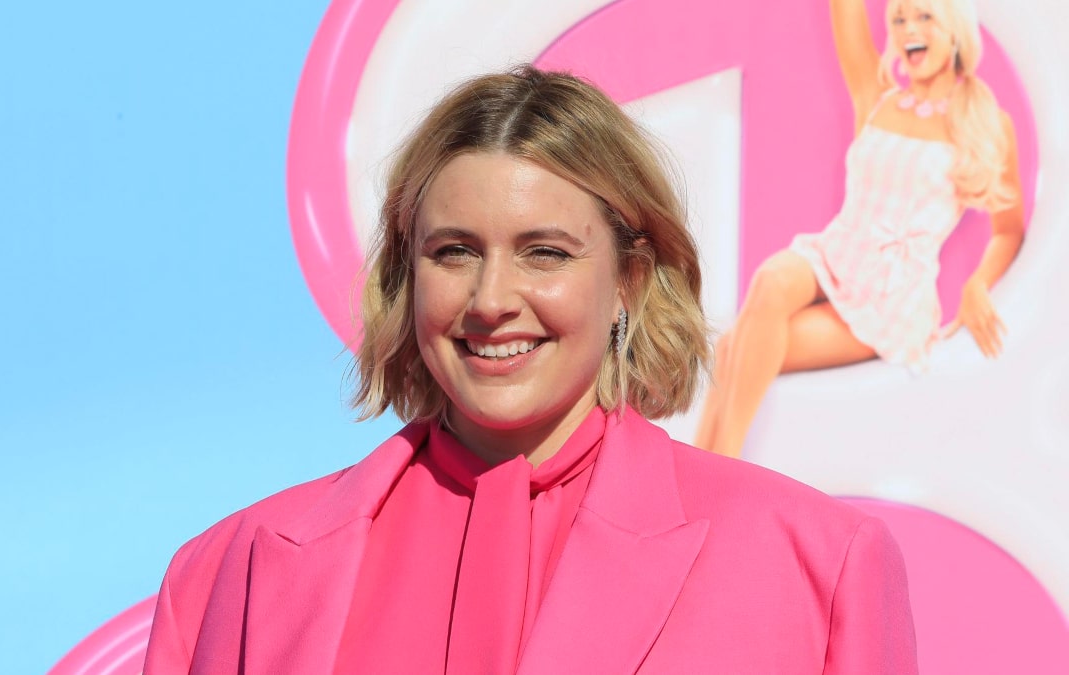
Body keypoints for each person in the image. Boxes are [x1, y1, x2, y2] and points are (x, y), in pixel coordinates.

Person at [142, 65, 917, 674]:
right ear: (407, 276)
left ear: (630, 280)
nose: (490, 300)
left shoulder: (815, 561)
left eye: (544, 253)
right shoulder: (229, 573)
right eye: (455, 252)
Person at [694, 0, 1025, 458]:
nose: (910, 27)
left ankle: (708, 478)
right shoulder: (877, 95)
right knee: (770, 279)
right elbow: (845, 11)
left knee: (735, 347)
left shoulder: (988, 124)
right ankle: (716, 472)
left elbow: (1009, 229)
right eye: (900, 18)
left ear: (954, 28)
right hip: (835, 252)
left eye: (925, 16)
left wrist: (977, 286)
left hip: (891, 296)